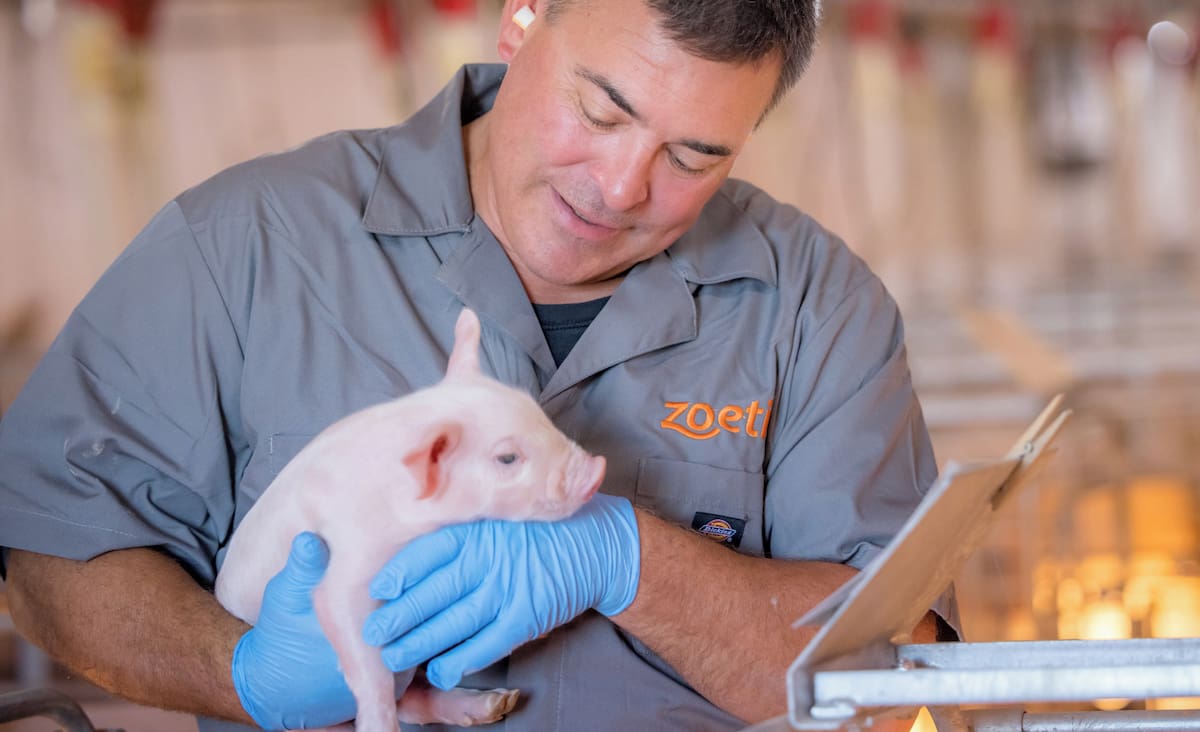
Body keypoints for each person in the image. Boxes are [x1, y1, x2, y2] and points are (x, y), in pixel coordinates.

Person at [0, 0, 958, 729]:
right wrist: (241, 672)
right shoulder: (247, 243)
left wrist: (632, 563)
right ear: (521, 18)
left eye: (693, 158)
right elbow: (51, 551)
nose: (620, 186)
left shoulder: (814, 305)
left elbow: (897, 663)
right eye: (601, 109)